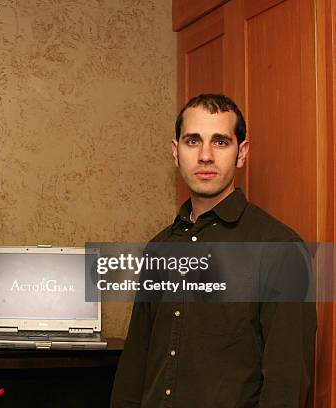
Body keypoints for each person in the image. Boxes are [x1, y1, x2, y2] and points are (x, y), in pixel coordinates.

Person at [111, 94, 316, 407]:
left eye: (220, 142)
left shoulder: (279, 248)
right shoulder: (159, 247)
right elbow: (135, 365)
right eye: (193, 141)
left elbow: (284, 387)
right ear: (176, 152)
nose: (205, 155)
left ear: (241, 153)